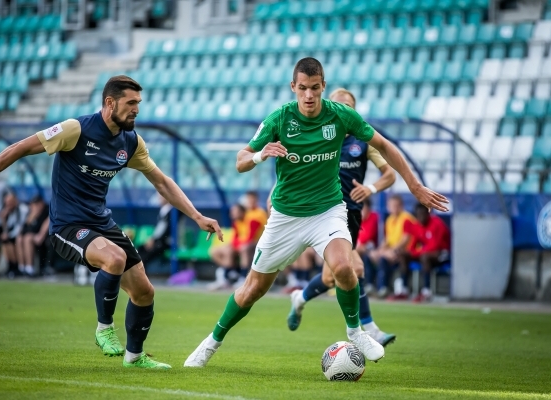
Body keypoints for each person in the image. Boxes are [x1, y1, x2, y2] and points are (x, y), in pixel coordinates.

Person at [0, 75, 222, 370]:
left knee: (144, 292)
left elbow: (162, 182)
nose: (136, 109)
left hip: (101, 222)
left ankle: (134, 358)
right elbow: (19, 148)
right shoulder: (76, 130)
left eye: (139, 103)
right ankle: (104, 329)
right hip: (67, 226)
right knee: (114, 258)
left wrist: (197, 216)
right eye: (131, 103)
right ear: (110, 103)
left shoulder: (131, 142)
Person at [183, 58, 448, 368]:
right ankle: (210, 343)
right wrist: (260, 154)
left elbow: (385, 145)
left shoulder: (340, 116)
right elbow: (240, 160)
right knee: (252, 290)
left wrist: (415, 186)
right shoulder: (279, 120)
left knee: (344, 267)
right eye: (303, 89)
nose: (309, 96)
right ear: (293, 88)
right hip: (286, 216)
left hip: (328, 210)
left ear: (323, 86)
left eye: (315, 88)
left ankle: (356, 331)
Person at [286, 88, 397, 347]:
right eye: (340, 105)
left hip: (352, 216)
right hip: (324, 213)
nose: (345, 109)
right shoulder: (319, 137)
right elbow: (294, 168)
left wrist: (370, 188)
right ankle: (370, 329)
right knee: (354, 268)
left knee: (330, 278)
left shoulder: (364, 141)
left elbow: (389, 174)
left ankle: (300, 299)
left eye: (349, 105)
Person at [396, 204, 451, 302]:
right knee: (403, 255)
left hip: (442, 254)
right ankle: (404, 290)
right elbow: (413, 246)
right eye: (418, 215)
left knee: (424, 257)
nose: (420, 217)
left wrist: (416, 253)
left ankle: (426, 291)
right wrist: (408, 252)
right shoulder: (417, 225)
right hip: (425, 254)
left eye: (423, 214)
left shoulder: (437, 224)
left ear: (428, 214)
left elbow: (434, 246)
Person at [373, 195, 416, 298]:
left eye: (397, 206)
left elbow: (405, 240)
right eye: (392, 206)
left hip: (408, 251)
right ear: (388, 207)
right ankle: (381, 288)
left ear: (402, 206)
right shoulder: (390, 220)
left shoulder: (407, 218)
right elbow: (388, 239)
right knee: (376, 256)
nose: (394, 208)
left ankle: (403, 289)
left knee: (388, 257)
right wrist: (380, 250)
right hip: (395, 250)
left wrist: (391, 251)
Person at [207, 203, 256, 291]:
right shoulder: (236, 222)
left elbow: (250, 238)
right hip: (241, 245)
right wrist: (234, 245)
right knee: (215, 251)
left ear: (242, 212)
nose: (232, 214)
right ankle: (230, 274)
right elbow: (235, 238)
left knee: (243, 248)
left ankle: (241, 277)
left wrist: (236, 244)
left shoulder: (252, 220)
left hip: (253, 246)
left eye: (235, 211)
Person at [15, 194, 49, 276]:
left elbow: (46, 224)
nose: (34, 206)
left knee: (28, 238)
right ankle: (22, 267)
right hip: (31, 236)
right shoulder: (31, 213)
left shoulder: (46, 211)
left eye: (36, 204)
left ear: (41, 204)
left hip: (43, 238)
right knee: (19, 239)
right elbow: (23, 229)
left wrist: (40, 235)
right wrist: (31, 217)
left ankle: (30, 268)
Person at [137, 194, 173, 265]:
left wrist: (154, 240)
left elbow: (166, 230)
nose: (159, 198)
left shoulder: (173, 211)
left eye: (161, 195)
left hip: (167, 242)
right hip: (158, 240)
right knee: (140, 250)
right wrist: (152, 239)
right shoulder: (163, 210)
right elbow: (159, 229)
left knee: (144, 258)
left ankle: (141, 274)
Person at [0, 191, 29, 279]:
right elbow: (7, 228)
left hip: (25, 232)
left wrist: (8, 235)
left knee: (16, 239)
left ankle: (20, 267)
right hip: (15, 234)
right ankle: (12, 266)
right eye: (6, 203)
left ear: (15, 201)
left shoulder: (22, 209)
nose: (8, 205)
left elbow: (20, 226)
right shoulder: (10, 211)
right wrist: (3, 219)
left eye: (10, 203)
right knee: (4, 242)